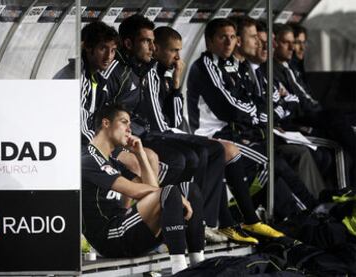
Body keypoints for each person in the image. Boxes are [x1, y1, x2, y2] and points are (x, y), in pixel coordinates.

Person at [153, 25, 284, 242]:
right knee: (233, 155)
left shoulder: (169, 73)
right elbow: (229, 107)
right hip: (185, 134)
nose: (178, 57)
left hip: (176, 134)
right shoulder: (196, 67)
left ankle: (239, 221)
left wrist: (176, 86)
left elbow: (174, 120)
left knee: (227, 153)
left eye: (233, 37)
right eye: (173, 51)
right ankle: (218, 222)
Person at [187, 18, 318, 221]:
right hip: (214, 137)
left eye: (232, 37)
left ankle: (300, 213)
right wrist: (258, 114)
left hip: (236, 133)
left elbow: (251, 96)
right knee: (271, 162)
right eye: (223, 37)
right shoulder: (205, 66)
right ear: (209, 41)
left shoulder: (231, 64)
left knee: (272, 164)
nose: (229, 42)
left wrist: (258, 112)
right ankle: (305, 212)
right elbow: (229, 107)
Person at [82, 104, 205, 274]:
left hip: (124, 229)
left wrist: (140, 154)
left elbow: (156, 192)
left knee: (189, 189)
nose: (129, 129)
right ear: (106, 123)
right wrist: (173, 196)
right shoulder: (88, 159)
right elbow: (134, 190)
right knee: (170, 192)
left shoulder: (113, 162)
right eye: (124, 122)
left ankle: (199, 265)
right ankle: (180, 270)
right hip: (109, 238)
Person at [53, 21, 159, 179]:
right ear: (87, 47)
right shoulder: (76, 77)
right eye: (103, 48)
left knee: (150, 156)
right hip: (71, 145)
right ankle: (126, 204)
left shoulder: (95, 76)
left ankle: (145, 203)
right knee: (136, 165)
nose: (109, 56)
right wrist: (108, 143)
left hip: (89, 140)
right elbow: (80, 127)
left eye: (113, 50)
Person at [273, 23, 356, 187]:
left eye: (297, 43)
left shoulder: (290, 67)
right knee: (335, 121)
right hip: (301, 118)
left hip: (311, 111)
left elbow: (298, 98)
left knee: (340, 117)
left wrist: (294, 101)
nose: (294, 48)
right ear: (275, 43)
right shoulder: (273, 69)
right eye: (288, 43)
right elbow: (295, 103)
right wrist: (293, 103)